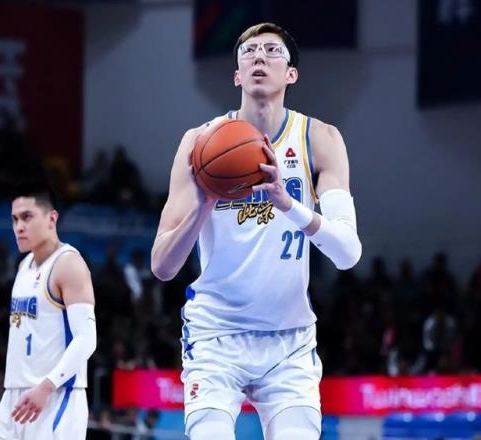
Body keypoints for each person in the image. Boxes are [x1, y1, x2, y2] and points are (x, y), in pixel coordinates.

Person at [151, 23, 362, 440]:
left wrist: (288, 204)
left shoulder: (319, 139)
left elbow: (348, 253)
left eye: (271, 50)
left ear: (291, 74)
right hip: (215, 335)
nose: (259, 56)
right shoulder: (199, 144)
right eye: (248, 52)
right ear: (237, 75)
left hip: (289, 340)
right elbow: (161, 265)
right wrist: (202, 207)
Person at [0, 181, 97, 439]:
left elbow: (86, 339)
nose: (19, 227)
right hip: (14, 397)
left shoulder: (69, 264)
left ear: (51, 218)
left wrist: (47, 387)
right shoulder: (23, 266)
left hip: (55, 396)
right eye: (15, 219)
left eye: (27, 217)